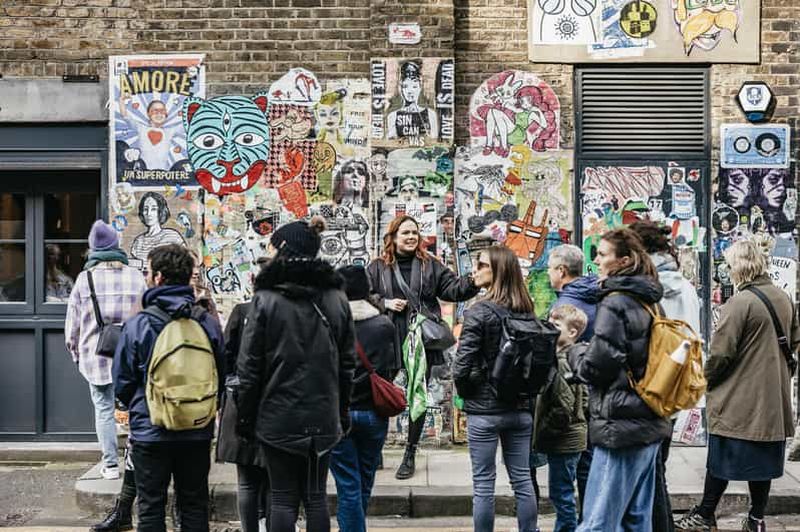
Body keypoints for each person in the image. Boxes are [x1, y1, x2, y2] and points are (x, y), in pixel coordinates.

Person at [236, 217, 356, 532]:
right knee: (316, 496)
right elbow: (347, 364)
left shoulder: (266, 299)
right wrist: (342, 410)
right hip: (323, 414)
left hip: (277, 414)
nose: (269, 252)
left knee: (282, 498)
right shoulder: (336, 298)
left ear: (284, 249)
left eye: (271, 246)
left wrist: (245, 418)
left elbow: (249, 367)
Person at [675, 240, 799, 532]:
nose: (727, 271)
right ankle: (756, 519)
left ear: (740, 267)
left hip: (738, 400)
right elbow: (794, 342)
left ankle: (704, 514)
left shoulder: (739, 303)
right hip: (771, 400)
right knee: (762, 464)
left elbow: (720, 354)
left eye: (730, 265)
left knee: (721, 458)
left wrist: (702, 381)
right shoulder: (783, 298)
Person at [113, 244, 225, 532]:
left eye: (148, 272)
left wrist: (136, 404)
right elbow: (222, 374)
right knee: (194, 504)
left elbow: (122, 381)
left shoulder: (139, 323)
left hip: (150, 428)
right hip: (196, 429)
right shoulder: (207, 322)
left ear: (159, 278)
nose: (147, 277)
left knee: (151, 506)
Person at [570, 228, 672, 531]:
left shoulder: (616, 302)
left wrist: (576, 352)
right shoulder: (650, 300)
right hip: (649, 420)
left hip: (621, 426)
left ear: (624, 261)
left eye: (602, 255)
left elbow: (597, 366)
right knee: (636, 520)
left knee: (598, 522)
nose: (596, 260)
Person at [366, 215, 479, 480]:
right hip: (387, 338)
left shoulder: (431, 265)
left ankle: (410, 452)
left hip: (420, 341)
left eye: (415, 233)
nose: (411, 237)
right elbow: (363, 293)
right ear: (392, 237)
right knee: (379, 396)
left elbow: (452, 289)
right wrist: (384, 303)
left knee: (417, 395)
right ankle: (375, 450)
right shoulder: (377, 267)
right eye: (405, 232)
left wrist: (473, 281)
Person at [453, 245, 538, 532]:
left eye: (481, 265)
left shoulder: (479, 313)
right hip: (520, 408)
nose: (474, 270)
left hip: (484, 412)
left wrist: (468, 394)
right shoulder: (528, 312)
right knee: (523, 479)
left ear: (498, 271)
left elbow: (461, 368)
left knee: (484, 483)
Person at [630, 220, 702, 532]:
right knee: (656, 464)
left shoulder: (644, 287)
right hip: (675, 386)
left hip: (648, 385)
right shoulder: (686, 288)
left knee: (647, 469)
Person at [65, 220, 147, 484]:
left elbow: (72, 328)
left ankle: (110, 465)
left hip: (96, 357)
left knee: (103, 410)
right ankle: (136, 461)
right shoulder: (135, 275)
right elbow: (146, 317)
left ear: (93, 249)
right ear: (116, 246)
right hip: (132, 355)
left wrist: (79, 356)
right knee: (136, 409)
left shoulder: (84, 279)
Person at [329, 265, 396, 532]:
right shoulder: (384, 325)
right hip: (374, 412)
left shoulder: (331, 325)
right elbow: (393, 367)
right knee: (364, 480)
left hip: (339, 413)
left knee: (348, 485)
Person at [216, 256, 271, 532]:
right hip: (275, 405)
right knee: (275, 483)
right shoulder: (286, 314)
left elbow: (225, 357)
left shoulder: (241, 311)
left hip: (242, 404)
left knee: (247, 481)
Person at [546, 243, 598, 519]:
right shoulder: (596, 297)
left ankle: (575, 523)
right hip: (595, 391)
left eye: (550, 269)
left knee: (566, 477)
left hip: (572, 391)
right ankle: (589, 520)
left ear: (562, 271)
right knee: (587, 464)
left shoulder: (565, 307)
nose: (548, 275)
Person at [534, 304, 588, 532]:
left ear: (572, 332)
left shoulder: (563, 361)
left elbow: (563, 409)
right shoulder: (572, 357)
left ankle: (566, 529)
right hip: (571, 438)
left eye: (556, 326)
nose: (549, 328)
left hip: (565, 440)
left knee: (561, 493)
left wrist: (543, 431)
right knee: (562, 490)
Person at [130, 192, 186, 268]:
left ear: (160, 211)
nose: (148, 213)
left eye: (153, 209)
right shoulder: (138, 241)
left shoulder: (172, 236)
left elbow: (186, 261)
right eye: (145, 209)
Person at [386, 61, 438, 142]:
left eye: (414, 86)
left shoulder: (430, 114)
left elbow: (434, 141)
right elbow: (391, 142)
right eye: (406, 86)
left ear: (420, 87)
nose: (410, 91)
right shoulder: (393, 116)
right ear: (401, 88)